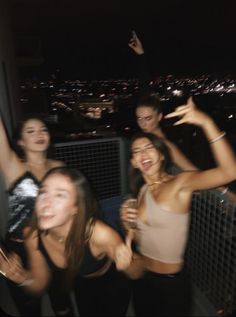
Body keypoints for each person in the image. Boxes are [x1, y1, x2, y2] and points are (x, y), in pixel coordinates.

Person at [120, 97, 236, 316]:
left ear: (163, 155)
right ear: (133, 162)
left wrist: (206, 123)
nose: (143, 154)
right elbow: (138, 236)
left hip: (171, 284)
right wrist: (128, 225)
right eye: (137, 151)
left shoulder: (179, 184)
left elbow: (229, 171)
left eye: (149, 148)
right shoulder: (141, 192)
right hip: (144, 278)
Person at [0, 167, 133, 315]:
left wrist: (129, 260)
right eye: (43, 192)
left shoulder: (98, 233)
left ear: (75, 207)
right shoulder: (33, 236)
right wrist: (22, 277)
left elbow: (136, 272)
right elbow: (40, 284)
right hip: (82, 279)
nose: (46, 202)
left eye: (59, 195)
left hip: (113, 280)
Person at [0, 112, 74, 316]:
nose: (39, 134)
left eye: (43, 129)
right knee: (29, 307)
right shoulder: (14, 167)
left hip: (55, 244)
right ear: (20, 141)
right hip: (20, 247)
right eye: (30, 131)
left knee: (62, 302)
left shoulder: (60, 168)